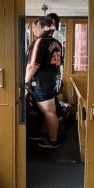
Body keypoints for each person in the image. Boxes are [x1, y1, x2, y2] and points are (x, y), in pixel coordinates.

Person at [25, 18, 63, 148]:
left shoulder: (39, 42)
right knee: (47, 111)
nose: (33, 29)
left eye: (35, 27)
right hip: (54, 80)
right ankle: (44, 133)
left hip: (42, 83)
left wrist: (25, 82)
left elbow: (33, 66)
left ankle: (53, 141)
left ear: (42, 27)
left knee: (49, 112)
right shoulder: (56, 42)